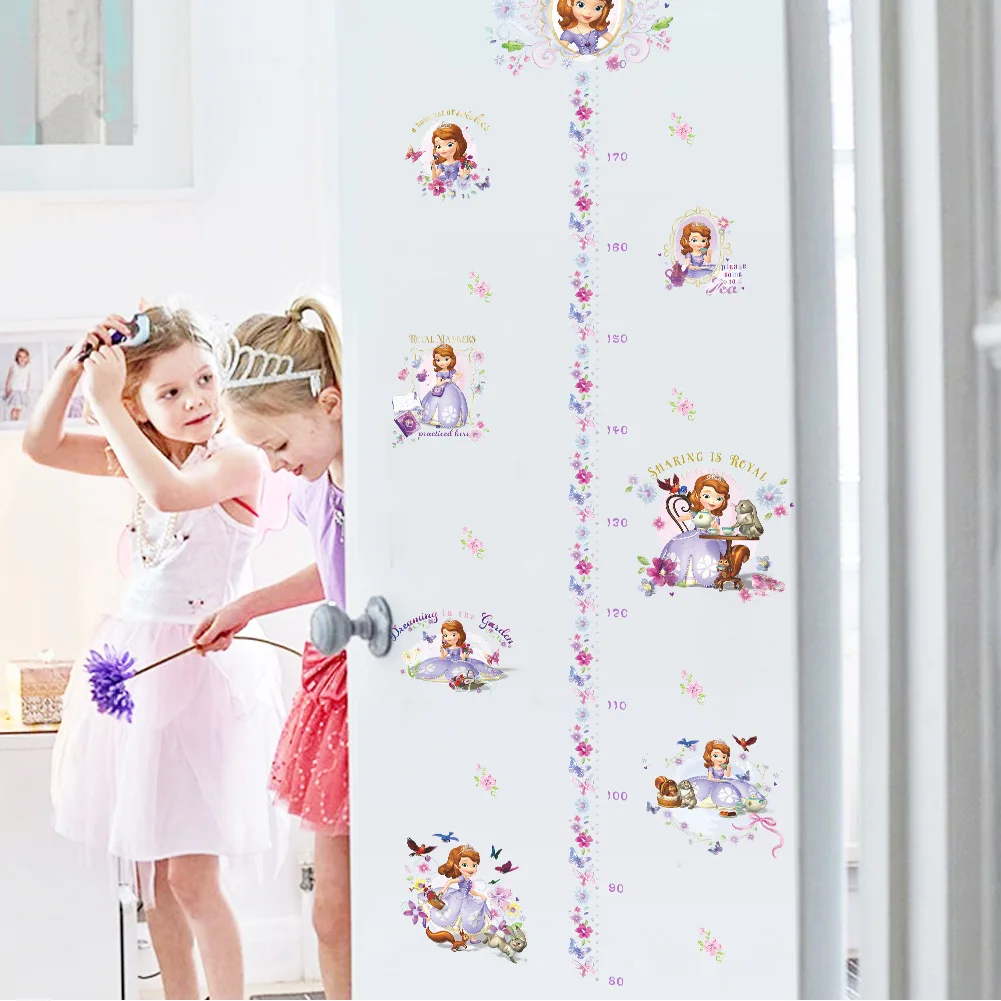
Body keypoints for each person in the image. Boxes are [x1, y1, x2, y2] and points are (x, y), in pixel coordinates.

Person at [22, 306, 286, 1001]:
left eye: (204, 379)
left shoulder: (236, 459)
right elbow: (41, 445)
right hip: (139, 672)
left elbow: (170, 495)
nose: (197, 399)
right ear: (140, 405)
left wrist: (110, 405)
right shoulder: (140, 453)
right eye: (170, 391)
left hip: (201, 676)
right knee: (155, 881)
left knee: (193, 877)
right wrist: (76, 367)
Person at [192, 296, 351, 999]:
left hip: (378, 676)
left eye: (280, 446)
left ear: (330, 403)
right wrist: (247, 605)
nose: (279, 466)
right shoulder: (316, 486)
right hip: (335, 681)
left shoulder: (378, 480)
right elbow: (338, 569)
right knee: (330, 913)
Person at [5, 346, 33, 421]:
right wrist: (7, 390)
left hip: (22, 391)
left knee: (19, 408)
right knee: (14, 407)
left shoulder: (28, 368)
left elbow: (28, 380)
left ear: (27, 358)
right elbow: (8, 379)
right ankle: (12, 420)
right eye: (20, 356)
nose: (22, 359)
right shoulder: (14, 366)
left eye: (24, 357)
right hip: (14, 390)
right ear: (17, 358)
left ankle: (17, 420)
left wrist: (27, 390)